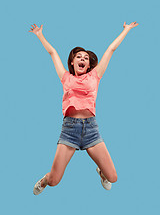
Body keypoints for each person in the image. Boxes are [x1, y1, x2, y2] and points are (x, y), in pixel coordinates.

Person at [29, 21, 139, 195]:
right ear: (72, 62)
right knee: (54, 181)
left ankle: (101, 172)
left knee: (113, 177)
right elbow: (52, 52)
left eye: (86, 58)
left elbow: (111, 49)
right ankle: (45, 179)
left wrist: (126, 30)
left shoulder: (95, 76)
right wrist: (40, 35)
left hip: (91, 130)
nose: (82, 59)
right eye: (79, 57)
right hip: (69, 130)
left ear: (89, 66)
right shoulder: (65, 77)